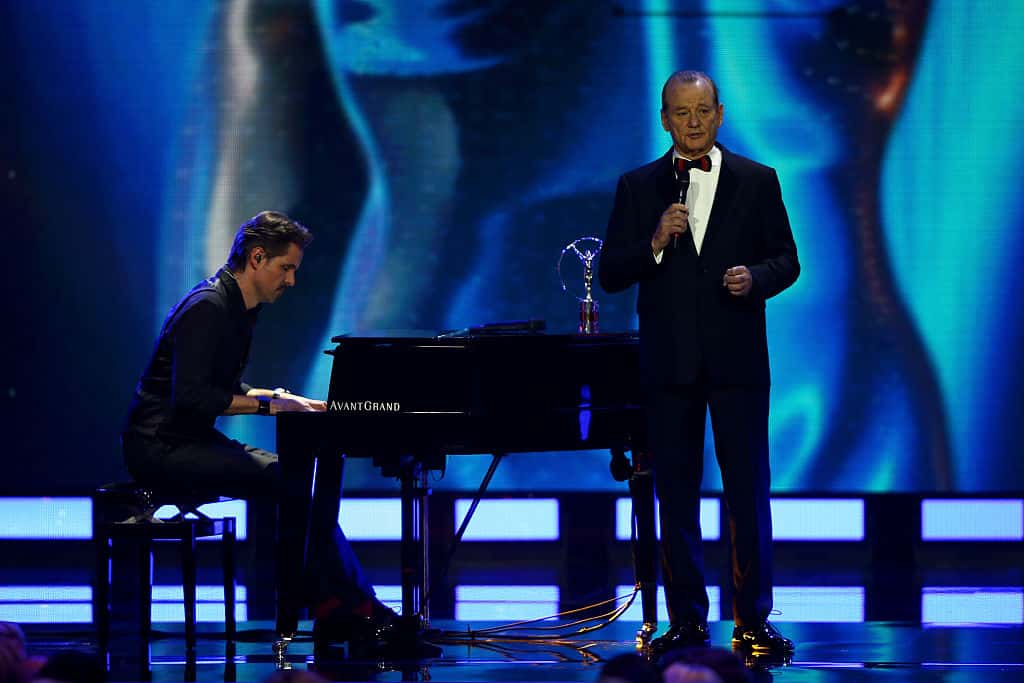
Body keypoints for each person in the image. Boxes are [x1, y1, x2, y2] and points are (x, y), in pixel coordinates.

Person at [121, 211, 396, 650]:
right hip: (159, 446)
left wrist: (290, 399)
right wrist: (270, 405)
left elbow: (227, 387)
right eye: (285, 268)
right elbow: (191, 398)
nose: (291, 280)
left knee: (293, 481)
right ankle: (351, 607)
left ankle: (338, 606)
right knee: (283, 479)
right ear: (257, 258)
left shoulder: (239, 309)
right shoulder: (208, 307)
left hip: (188, 439)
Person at [599, 71, 799, 656]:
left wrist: (755, 278)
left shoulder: (757, 180)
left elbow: (787, 259)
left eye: (703, 110)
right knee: (676, 495)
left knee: (747, 492)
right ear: (664, 118)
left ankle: (753, 621)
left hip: (738, 362)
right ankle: (686, 621)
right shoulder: (638, 186)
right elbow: (611, 272)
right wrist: (654, 242)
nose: (693, 122)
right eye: (681, 112)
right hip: (669, 364)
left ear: (720, 113)